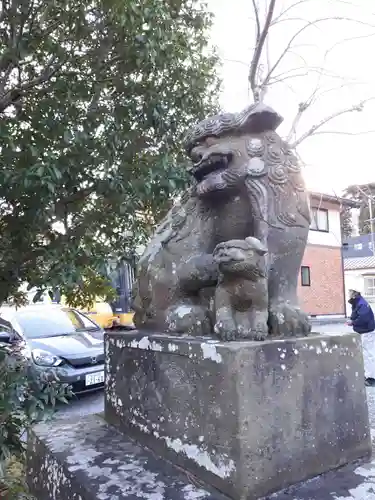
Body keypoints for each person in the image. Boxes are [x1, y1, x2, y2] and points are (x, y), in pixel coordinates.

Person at [347, 289, 375, 386]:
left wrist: (353, 322)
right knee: (366, 353)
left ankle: (371, 378)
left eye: (350, 292)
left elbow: (364, 318)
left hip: (367, 332)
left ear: (354, 294)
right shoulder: (358, 303)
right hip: (365, 331)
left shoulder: (361, 304)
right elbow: (356, 314)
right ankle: (369, 375)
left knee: (369, 354)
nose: (348, 294)